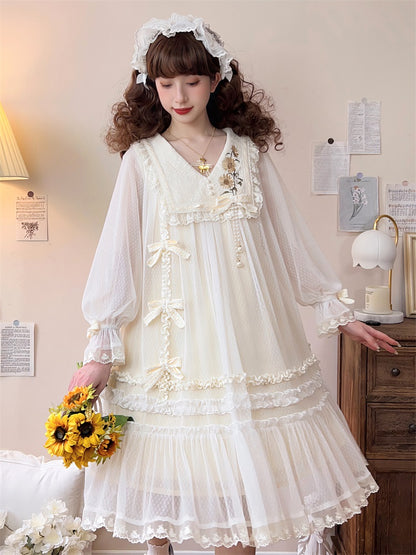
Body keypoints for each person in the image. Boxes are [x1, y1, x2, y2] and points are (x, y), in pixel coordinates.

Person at [69, 13, 399, 555]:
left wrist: (338, 313)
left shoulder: (246, 154)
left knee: (243, 506)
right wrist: (101, 351)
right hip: (171, 348)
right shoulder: (142, 162)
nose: (179, 96)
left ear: (216, 79)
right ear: (150, 85)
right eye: (166, 83)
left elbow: (289, 237)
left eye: (192, 81)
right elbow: (117, 256)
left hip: (249, 342)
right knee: (167, 496)